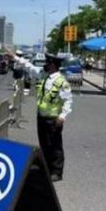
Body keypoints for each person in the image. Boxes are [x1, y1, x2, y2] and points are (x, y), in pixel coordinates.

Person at [36, 54, 73, 182]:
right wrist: (15, 57)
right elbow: (30, 68)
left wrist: (62, 117)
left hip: (53, 119)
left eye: (47, 63)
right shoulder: (45, 77)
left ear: (53, 65)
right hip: (41, 117)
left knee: (55, 146)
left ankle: (57, 172)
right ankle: (46, 169)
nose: (45, 65)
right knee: (44, 144)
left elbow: (68, 101)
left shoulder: (62, 82)